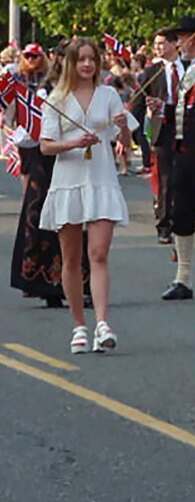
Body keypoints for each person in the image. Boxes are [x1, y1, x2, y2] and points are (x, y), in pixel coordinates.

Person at [39, 37, 134, 354]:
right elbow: (46, 146)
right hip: (68, 183)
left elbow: (125, 141)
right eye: (81, 59)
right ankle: (79, 325)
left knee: (99, 254)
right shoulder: (57, 98)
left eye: (92, 58)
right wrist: (74, 143)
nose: (87, 64)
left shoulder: (109, 95)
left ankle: (103, 323)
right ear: (70, 63)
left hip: (101, 180)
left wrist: (123, 127)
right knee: (71, 259)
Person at [7, 44, 65, 306]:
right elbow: (27, 130)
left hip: (79, 163)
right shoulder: (45, 90)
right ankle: (46, 283)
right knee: (42, 217)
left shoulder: (92, 90)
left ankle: (81, 284)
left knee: (80, 222)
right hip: (46, 161)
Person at [161, 17, 195, 303]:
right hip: (182, 152)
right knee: (180, 214)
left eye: (180, 37)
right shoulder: (191, 68)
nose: (178, 43)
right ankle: (183, 277)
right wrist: (165, 111)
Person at [144, 28, 186, 245]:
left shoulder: (190, 66)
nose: (157, 48)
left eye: (161, 43)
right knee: (165, 180)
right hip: (163, 129)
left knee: (187, 176)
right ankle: (164, 225)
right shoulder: (153, 71)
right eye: (155, 44)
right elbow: (140, 100)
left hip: (187, 128)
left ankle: (184, 219)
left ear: (174, 43)